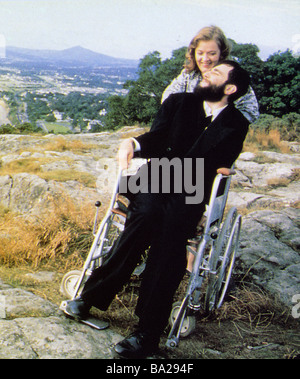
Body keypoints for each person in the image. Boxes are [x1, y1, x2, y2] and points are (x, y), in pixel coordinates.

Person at [64, 60, 250, 359]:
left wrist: (210, 172)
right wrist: (133, 143)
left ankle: (146, 333)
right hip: (157, 176)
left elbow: (222, 162)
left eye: (215, 73)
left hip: (191, 189)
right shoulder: (179, 103)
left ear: (229, 88)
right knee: (146, 217)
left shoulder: (236, 123)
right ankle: (90, 298)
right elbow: (157, 137)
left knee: (170, 241)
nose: (206, 73)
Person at [162, 25, 259, 124]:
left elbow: (250, 113)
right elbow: (167, 101)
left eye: (212, 54)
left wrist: (215, 126)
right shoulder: (188, 75)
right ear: (193, 53)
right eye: (200, 53)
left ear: (221, 53)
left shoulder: (233, 78)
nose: (205, 59)